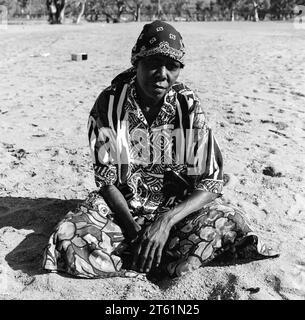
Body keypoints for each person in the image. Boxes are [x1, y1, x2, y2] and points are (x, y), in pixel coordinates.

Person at [42, 20, 278, 279]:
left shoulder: (186, 105)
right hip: (121, 213)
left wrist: (164, 224)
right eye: (154, 63)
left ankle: (148, 257)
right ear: (136, 62)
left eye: (172, 66)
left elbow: (210, 183)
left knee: (232, 221)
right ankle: (163, 259)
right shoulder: (109, 104)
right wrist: (135, 235)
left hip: (176, 212)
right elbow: (107, 183)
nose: (162, 73)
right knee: (68, 236)